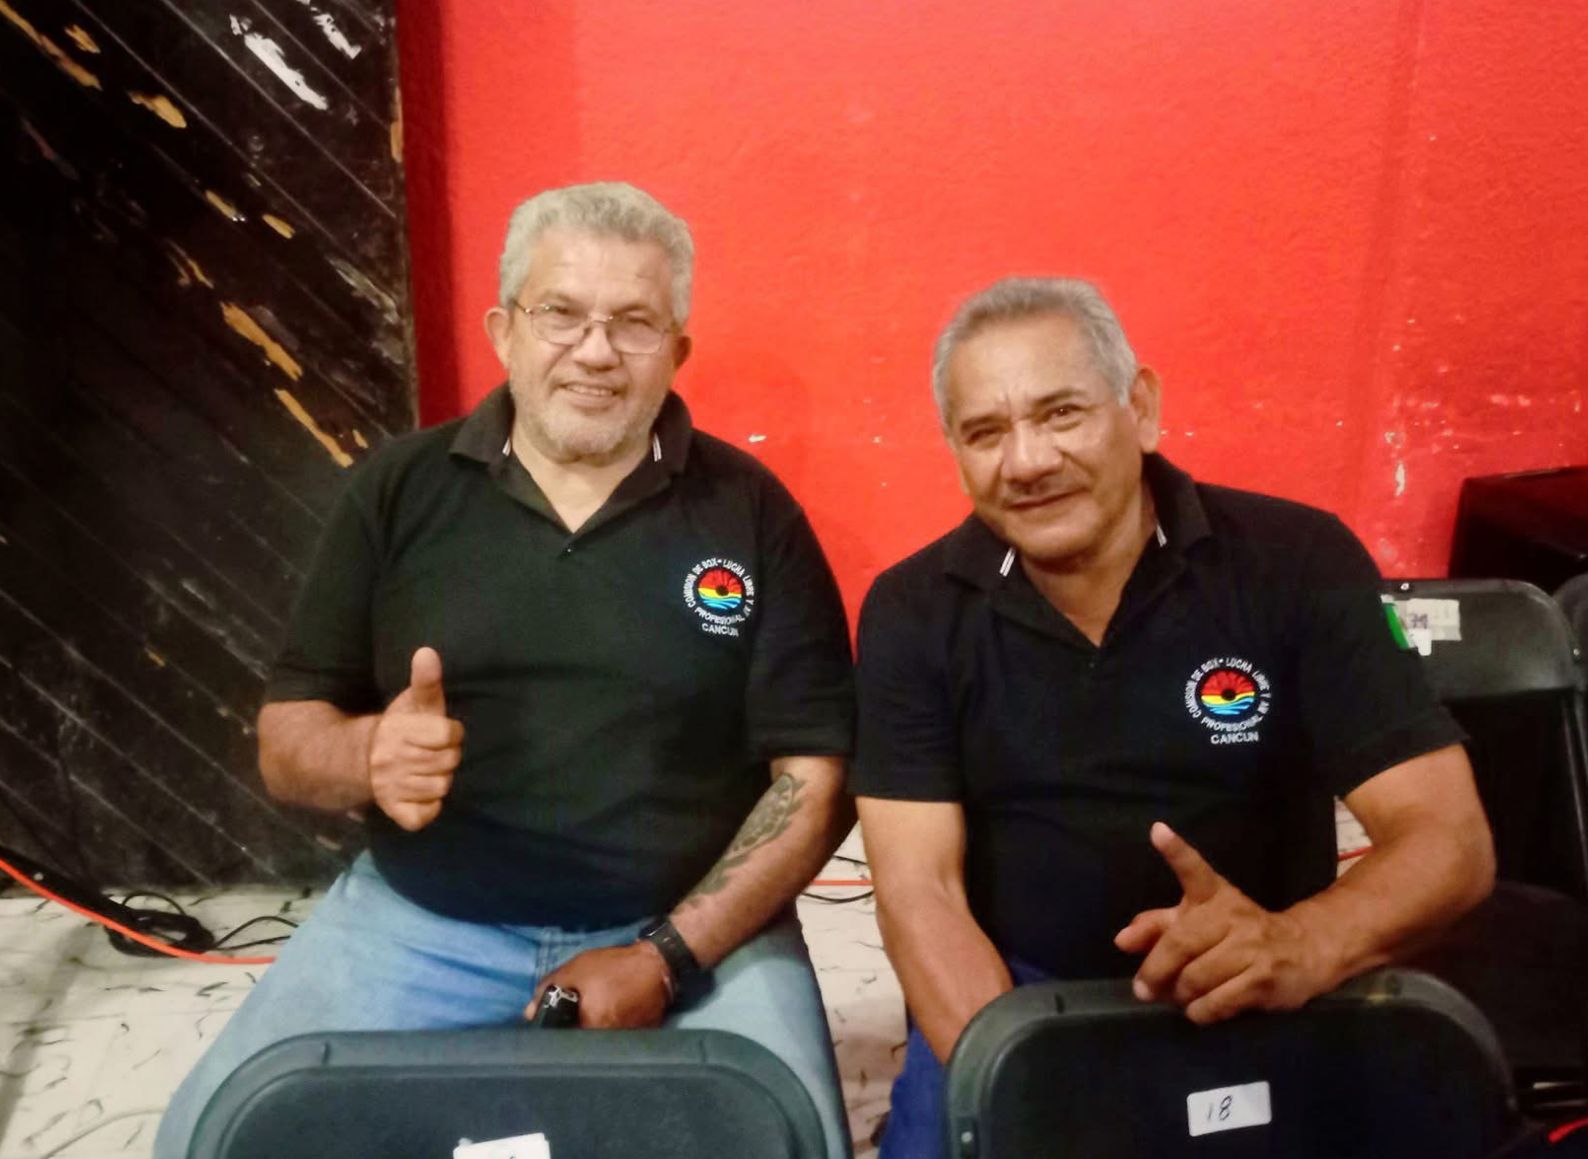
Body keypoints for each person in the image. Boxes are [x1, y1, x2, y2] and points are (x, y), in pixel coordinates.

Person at [154, 182, 857, 1159]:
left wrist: (665, 955)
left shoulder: (753, 512)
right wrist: (366, 755)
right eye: (561, 312)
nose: (596, 351)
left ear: (677, 350)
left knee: (786, 1135)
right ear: (504, 331)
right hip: (421, 921)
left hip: (693, 930)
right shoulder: (395, 490)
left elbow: (815, 781)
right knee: (211, 1135)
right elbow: (286, 741)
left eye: (634, 323)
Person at [850, 277, 1495, 1159]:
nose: (1026, 460)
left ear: (1140, 408)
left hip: (1263, 976)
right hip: (1019, 999)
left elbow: (1450, 839)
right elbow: (917, 892)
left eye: (1062, 413)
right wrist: (1021, 1078)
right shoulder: (912, 609)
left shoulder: (1297, 561)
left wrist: (1302, 942)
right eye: (986, 432)